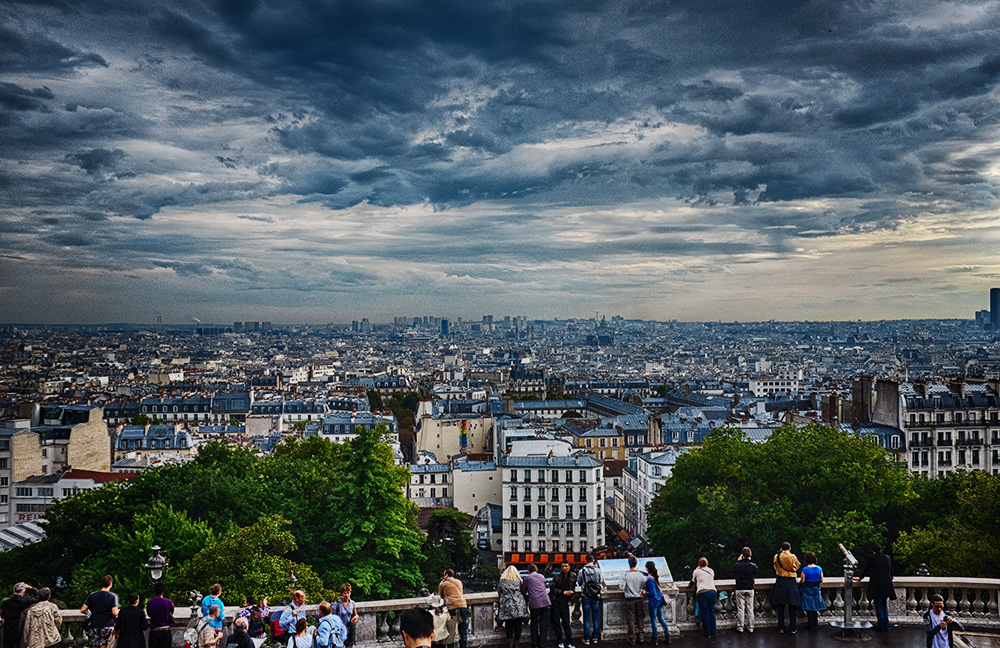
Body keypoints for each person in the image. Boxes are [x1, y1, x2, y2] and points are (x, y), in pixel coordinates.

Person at [856, 544, 896, 632]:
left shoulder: (872, 558)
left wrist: (860, 577)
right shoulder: (887, 557)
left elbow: (866, 569)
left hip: (877, 583)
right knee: (884, 604)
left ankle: (881, 625)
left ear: (873, 551)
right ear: (881, 550)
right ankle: (886, 624)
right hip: (887, 583)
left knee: (878, 604)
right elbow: (890, 569)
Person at [81, 575, 120, 648]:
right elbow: (114, 613)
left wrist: (91, 612)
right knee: (104, 645)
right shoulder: (112, 596)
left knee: (95, 645)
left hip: (95, 623)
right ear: (111, 584)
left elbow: (83, 609)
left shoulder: (92, 595)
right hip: (106, 624)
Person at [496, 566, 529, 648]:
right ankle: (517, 644)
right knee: (518, 625)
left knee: (508, 625)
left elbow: (499, 592)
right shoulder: (519, 581)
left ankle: (510, 643)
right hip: (518, 604)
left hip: (507, 604)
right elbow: (523, 591)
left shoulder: (502, 581)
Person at [772, 542, 801, 634]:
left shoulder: (777, 556)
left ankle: (781, 627)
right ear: (790, 548)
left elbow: (775, 566)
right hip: (791, 581)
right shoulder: (793, 556)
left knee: (781, 606)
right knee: (792, 605)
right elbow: (797, 566)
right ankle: (793, 628)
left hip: (781, 581)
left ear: (781, 548)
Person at [520, 564, 551, 648]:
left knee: (533, 623)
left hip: (535, 603)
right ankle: (543, 644)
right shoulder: (542, 576)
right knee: (544, 625)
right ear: (536, 570)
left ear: (528, 571)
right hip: (545, 602)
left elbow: (523, 591)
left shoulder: (527, 578)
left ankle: (535, 643)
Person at [576, 555, 604, 645]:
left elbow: (579, 582)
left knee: (586, 617)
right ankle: (595, 637)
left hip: (586, 595)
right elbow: (601, 580)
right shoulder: (598, 571)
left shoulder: (582, 571)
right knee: (595, 616)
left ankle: (586, 638)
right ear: (593, 560)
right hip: (595, 596)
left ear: (585, 561)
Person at [620, 555, 646, 646]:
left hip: (630, 599)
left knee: (630, 619)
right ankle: (641, 636)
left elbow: (621, 587)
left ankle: (632, 637)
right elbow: (644, 587)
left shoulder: (626, 575)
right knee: (640, 617)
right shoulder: (641, 575)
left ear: (629, 564)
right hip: (639, 598)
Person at [437, 570, 468, 648]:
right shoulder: (459, 582)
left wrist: (442, 582)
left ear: (446, 575)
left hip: (452, 607)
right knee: (463, 630)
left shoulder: (443, 584)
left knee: (451, 631)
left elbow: (440, 595)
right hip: (462, 605)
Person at [549, 562, 575, 648]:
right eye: (563, 566)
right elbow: (552, 588)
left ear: (569, 567)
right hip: (556, 602)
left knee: (566, 623)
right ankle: (560, 641)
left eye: (566, 566)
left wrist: (572, 592)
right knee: (557, 623)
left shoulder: (573, 576)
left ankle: (569, 641)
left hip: (565, 602)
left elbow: (573, 586)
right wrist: (563, 592)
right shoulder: (557, 577)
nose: (564, 568)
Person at [643, 562, 669, 646]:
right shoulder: (654, 577)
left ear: (647, 568)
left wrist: (644, 592)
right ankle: (667, 636)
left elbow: (652, 592)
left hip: (653, 602)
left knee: (653, 620)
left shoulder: (649, 580)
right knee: (661, 618)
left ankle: (654, 638)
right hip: (659, 600)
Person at [1, 583, 36, 648]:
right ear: (23, 593)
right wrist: (31, 588)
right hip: (21, 630)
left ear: (13, 591)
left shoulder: (5, 603)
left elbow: (2, 615)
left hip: (8, 630)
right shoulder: (26, 601)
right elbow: (39, 596)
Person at [798, 552, 825, 631]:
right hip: (816, 589)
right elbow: (821, 580)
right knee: (815, 608)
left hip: (807, 589)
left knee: (809, 608)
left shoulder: (805, 569)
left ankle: (811, 625)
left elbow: (802, 581)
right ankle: (815, 625)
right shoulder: (819, 568)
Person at [732, 547, 757, 634]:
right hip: (750, 588)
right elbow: (755, 572)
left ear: (742, 555)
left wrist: (739, 561)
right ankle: (751, 627)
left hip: (740, 588)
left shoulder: (737, 565)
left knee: (741, 609)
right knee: (750, 609)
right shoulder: (753, 566)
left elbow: (734, 569)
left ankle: (740, 627)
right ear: (750, 555)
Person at [691, 557, 717, 638]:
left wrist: (697, 569)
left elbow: (693, 581)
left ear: (699, 564)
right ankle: (713, 631)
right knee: (711, 611)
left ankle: (707, 633)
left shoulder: (696, 571)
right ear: (707, 563)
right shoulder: (711, 570)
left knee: (705, 613)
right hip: (712, 591)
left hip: (702, 592)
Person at [147, 583, 174, 648]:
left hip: (154, 631)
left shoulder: (150, 603)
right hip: (165, 630)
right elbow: (171, 612)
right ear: (163, 592)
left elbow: (149, 614)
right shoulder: (168, 602)